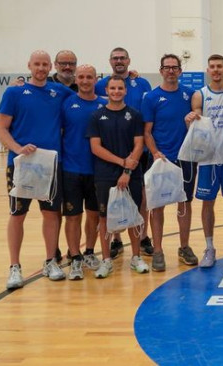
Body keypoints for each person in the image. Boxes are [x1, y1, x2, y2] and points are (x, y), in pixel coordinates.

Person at [0, 50, 74, 289]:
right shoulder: (14, 92)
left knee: (51, 215)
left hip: (50, 164)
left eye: (45, 64)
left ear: (50, 67)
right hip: (21, 165)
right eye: (36, 64)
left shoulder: (59, 92)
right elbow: (1, 128)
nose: (41, 68)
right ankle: (14, 267)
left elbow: (87, 97)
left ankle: (51, 260)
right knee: (17, 215)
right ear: (29, 66)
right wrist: (18, 149)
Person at [87, 75, 149, 278]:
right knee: (104, 217)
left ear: (125, 91)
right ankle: (106, 260)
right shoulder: (97, 116)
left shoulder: (135, 115)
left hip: (132, 175)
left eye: (119, 88)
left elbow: (139, 144)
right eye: (112, 88)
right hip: (105, 174)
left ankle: (136, 257)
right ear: (107, 90)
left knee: (133, 216)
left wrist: (127, 171)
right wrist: (121, 163)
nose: (116, 92)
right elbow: (96, 147)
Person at [95, 47, 154, 258]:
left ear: (129, 60)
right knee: (113, 197)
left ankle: (144, 235)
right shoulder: (100, 84)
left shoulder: (142, 83)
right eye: (115, 58)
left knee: (142, 198)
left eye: (122, 58)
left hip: (139, 149)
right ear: (110, 61)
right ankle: (117, 239)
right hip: (112, 151)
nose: (119, 61)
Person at [142, 54, 198, 271]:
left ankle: (184, 247)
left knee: (184, 204)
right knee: (157, 206)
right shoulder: (151, 97)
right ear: (161, 70)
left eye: (175, 67)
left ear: (180, 71)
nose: (171, 71)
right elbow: (146, 132)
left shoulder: (190, 95)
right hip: (161, 160)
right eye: (167, 67)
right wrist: (155, 153)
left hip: (185, 159)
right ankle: (157, 250)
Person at [184, 54, 223, 268]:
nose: (216, 70)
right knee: (207, 204)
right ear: (208, 70)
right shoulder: (200, 95)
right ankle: (209, 247)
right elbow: (195, 124)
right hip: (208, 160)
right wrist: (190, 120)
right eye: (212, 67)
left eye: (219, 66)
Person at [60, 64, 106, 279]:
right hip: (71, 168)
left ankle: (89, 251)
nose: (86, 81)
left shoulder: (104, 105)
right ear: (76, 80)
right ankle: (75, 257)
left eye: (90, 77)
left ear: (96, 79)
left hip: (97, 170)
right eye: (82, 77)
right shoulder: (66, 103)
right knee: (72, 216)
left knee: (94, 215)